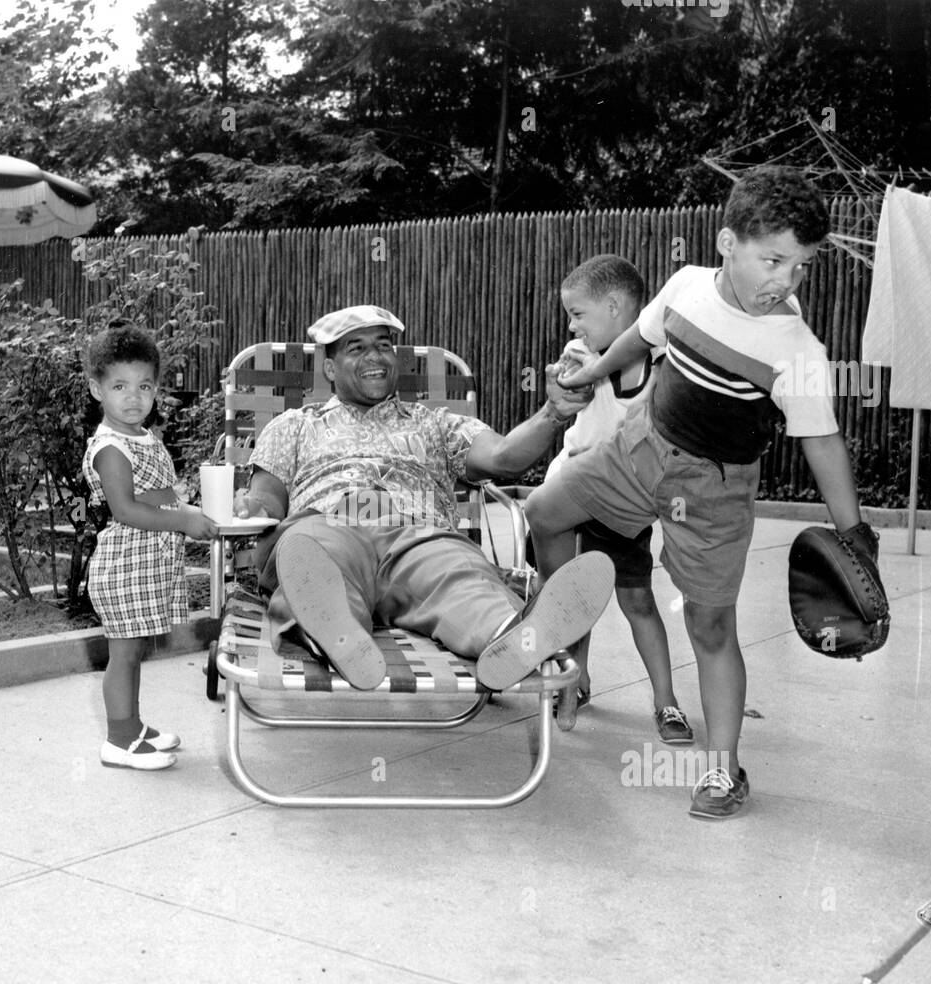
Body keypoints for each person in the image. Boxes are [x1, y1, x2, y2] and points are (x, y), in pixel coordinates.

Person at [529, 167, 873, 819]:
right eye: (773, 260)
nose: (786, 280)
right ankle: (563, 627)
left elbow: (822, 442)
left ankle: (723, 771)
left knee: (709, 625)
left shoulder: (795, 349)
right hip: (640, 447)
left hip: (715, 489)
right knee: (544, 511)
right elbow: (643, 335)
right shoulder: (686, 288)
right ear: (726, 243)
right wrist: (593, 375)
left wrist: (855, 536)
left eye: (801, 267)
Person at [231, 304, 616, 694]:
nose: (374, 356)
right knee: (312, 555)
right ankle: (337, 634)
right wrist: (252, 508)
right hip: (332, 523)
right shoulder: (294, 426)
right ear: (330, 369)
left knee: (458, 569)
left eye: (383, 345)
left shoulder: (435, 423)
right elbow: (267, 500)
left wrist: (553, 412)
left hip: (417, 534)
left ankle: (514, 636)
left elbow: (503, 457)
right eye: (357, 348)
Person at [536, 254, 693, 740]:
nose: (572, 325)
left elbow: (645, 427)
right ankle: (572, 681)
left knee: (637, 599)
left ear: (616, 307)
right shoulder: (580, 354)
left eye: (579, 314)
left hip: (622, 500)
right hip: (568, 493)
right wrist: (565, 382)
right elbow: (563, 395)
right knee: (569, 598)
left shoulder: (661, 366)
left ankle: (666, 701)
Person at [82, 321, 218, 770]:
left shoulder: (143, 437)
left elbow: (159, 494)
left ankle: (134, 726)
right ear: (96, 389)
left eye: (144, 386)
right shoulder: (110, 447)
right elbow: (125, 510)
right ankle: (117, 741)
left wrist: (198, 508)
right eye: (119, 385)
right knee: (123, 654)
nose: (133, 397)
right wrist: (183, 519)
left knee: (135, 649)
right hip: (124, 565)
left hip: (147, 564)